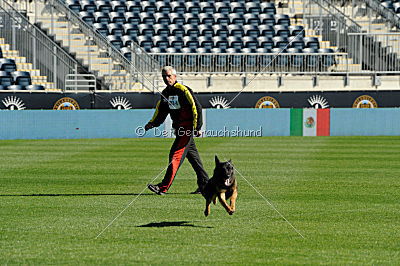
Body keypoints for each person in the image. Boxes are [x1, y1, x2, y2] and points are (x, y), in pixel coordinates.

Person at [145, 66, 209, 195]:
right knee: (194, 159)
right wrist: (153, 123)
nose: (166, 78)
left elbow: (196, 107)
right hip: (179, 129)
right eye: (164, 76)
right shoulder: (165, 93)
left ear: (175, 76)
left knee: (175, 156)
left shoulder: (183, 90)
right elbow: (161, 111)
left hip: (186, 130)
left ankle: (163, 187)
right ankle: (206, 186)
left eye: (169, 76)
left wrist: (197, 127)